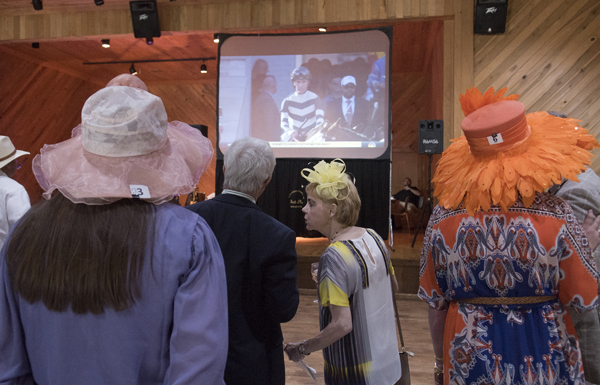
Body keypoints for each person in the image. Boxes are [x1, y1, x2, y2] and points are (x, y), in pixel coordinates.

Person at [0, 85, 228, 384]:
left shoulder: (26, 232)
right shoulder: (188, 237)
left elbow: (10, 368)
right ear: (160, 157)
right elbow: (198, 372)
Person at [419, 87, 600, 385]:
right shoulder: (559, 214)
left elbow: (435, 304)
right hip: (543, 351)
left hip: (469, 354)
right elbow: (582, 299)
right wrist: (584, 249)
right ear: (532, 154)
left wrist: (440, 363)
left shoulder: (442, 218)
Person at [187, 137, 299, 385]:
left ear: (225, 170)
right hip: (253, 362)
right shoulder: (277, 235)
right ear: (267, 180)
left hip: (192, 355)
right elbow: (283, 309)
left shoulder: (188, 219)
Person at [285, 159, 402, 385]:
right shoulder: (375, 237)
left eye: (311, 203)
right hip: (386, 361)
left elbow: (342, 324)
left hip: (355, 372)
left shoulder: (333, 256)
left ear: (332, 210)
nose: (304, 209)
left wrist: (302, 348)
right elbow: (393, 288)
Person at [0, 135, 30, 250]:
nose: (18, 162)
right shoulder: (14, 190)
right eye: (15, 159)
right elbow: (23, 230)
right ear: (8, 164)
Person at [280, 66, 324, 142]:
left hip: (312, 136)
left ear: (308, 82)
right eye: (298, 82)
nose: (300, 85)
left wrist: (314, 131)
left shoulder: (316, 98)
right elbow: (283, 122)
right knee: (282, 142)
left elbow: (320, 120)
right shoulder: (287, 101)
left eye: (303, 81)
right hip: (293, 135)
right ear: (293, 82)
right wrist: (290, 131)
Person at [251, 75, 281, 142]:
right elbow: (269, 123)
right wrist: (275, 140)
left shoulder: (262, 97)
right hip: (268, 140)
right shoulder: (267, 100)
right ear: (274, 86)